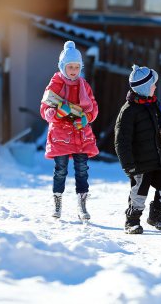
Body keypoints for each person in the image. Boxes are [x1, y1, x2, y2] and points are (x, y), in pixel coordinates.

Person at [115, 65, 161, 234]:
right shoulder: (129, 111)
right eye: (153, 84)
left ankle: (156, 216)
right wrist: (128, 164)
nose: (155, 87)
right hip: (139, 163)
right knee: (139, 194)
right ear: (144, 87)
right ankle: (132, 221)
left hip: (158, 159)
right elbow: (121, 141)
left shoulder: (155, 104)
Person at [40, 41, 99, 221]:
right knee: (61, 170)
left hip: (81, 134)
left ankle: (82, 206)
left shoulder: (84, 85)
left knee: (82, 170)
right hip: (61, 136)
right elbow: (44, 108)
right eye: (70, 67)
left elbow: (93, 107)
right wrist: (55, 112)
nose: (73, 70)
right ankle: (57, 203)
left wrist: (87, 118)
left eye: (76, 67)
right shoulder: (55, 84)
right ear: (62, 67)